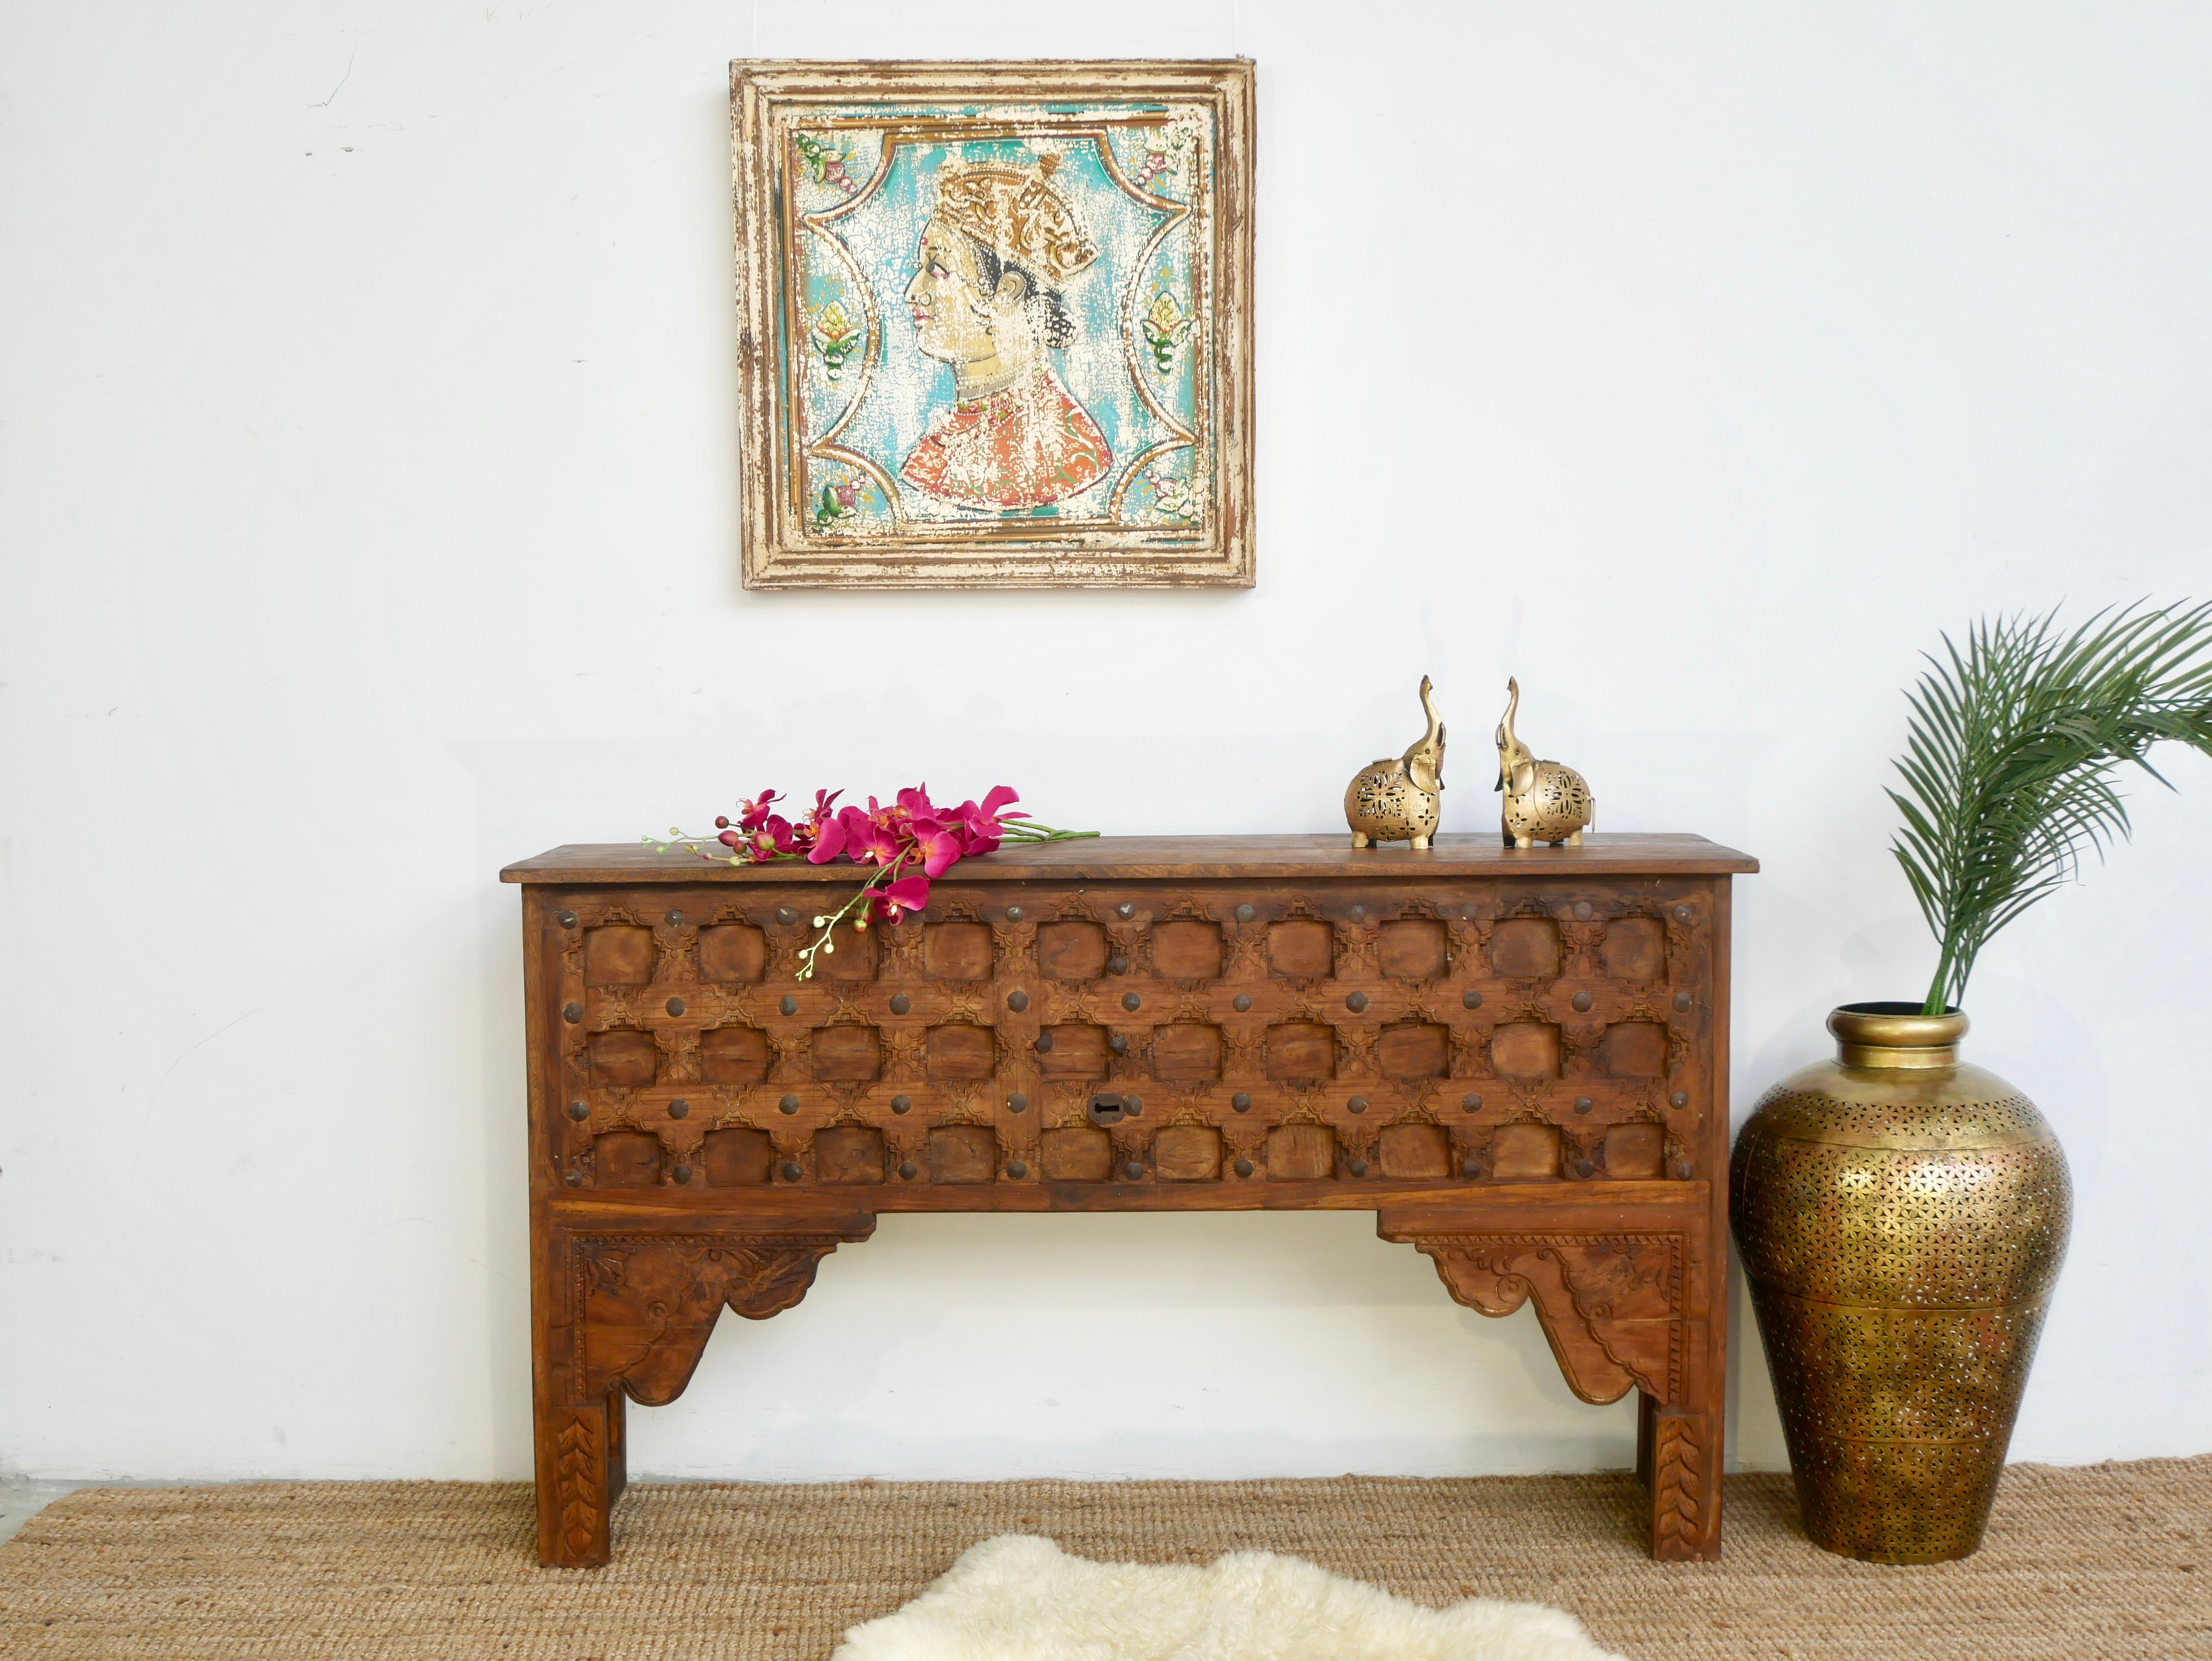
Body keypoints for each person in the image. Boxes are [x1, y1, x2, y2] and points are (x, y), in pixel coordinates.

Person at [899, 155, 1112, 511]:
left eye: (937, 269)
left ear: (1006, 292)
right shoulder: (942, 439)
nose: (912, 293)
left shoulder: (1064, 451)